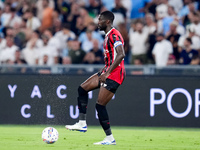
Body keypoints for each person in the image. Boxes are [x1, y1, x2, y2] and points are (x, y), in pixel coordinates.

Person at [65, 11, 126, 145]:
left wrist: (108, 72)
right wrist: (105, 70)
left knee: (100, 105)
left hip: (114, 74)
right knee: (82, 89)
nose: (98, 22)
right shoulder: (107, 35)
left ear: (108, 22)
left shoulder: (115, 35)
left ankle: (109, 138)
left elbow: (121, 54)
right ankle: (82, 123)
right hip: (107, 71)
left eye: (100, 20)